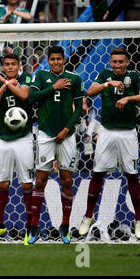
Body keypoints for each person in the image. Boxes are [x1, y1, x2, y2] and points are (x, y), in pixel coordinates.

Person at [78, 47, 140, 240]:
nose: (118, 65)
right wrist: (107, 83)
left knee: (132, 176)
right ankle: (88, 216)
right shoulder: (105, 74)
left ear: (127, 62)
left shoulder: (134, 76)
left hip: (128, 133)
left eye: (121, 61)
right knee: (98, 174)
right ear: (110, 63)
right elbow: (90, 91)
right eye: (115, 61)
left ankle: (138, 219)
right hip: (106, 132)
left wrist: (129, 97)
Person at [27, 46, 84, 244]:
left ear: (64, 59)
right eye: (52, 59)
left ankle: (65, 226)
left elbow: (79, 110)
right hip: (45, 134)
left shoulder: (74, 78)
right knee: (40, 180)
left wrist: (67, 130)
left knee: (67, 181)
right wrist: (54, 87)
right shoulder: (40, 75)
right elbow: (31, 98)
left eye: (59, 59)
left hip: (66, 135)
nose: (56, 62)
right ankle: (34, 227)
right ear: (48, 60)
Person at [0, 53, 34, 245]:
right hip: (4, 140)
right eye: (7, 65)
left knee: (26, 184)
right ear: (3, 67)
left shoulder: (26, 78)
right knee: (2, 184)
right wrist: (4, 84)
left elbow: (24, 95)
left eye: (14, 64)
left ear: (19, 66)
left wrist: (6, 82)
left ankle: (30, 229)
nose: (11, 67)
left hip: (24, 139)